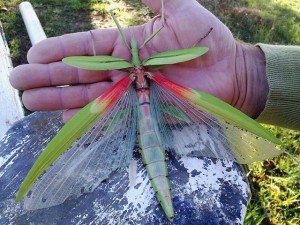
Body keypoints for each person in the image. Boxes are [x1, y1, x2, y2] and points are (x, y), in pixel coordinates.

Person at [9, 0, 300, 130]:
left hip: (137, 90)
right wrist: (242, 73)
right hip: (153, 90)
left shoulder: (127, 63)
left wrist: (241, 72)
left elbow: (196, 49)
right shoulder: (148, 64)